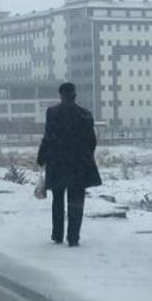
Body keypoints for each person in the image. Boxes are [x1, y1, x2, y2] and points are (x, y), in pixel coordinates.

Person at [37, 82, 102, 247]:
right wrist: (86, 157)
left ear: (61, 95)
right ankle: (73, 237)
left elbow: (48, 137)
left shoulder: (52, 113)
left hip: (58, 163)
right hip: (79, 165)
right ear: (75, 95)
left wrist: (42, 157)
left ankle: (57, 235)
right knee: (76, 201)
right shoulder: (85, 115)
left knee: (57, 199)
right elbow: (91, 141)